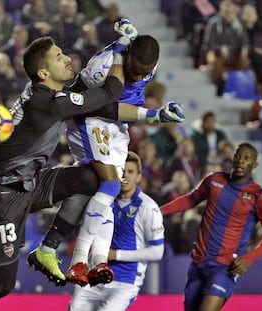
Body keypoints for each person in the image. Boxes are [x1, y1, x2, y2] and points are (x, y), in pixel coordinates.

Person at [0, 34, 125, 301]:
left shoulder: (51, 96)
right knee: (1, 287)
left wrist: (154, 115)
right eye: (58, 57)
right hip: (3, 196)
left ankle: (47, 249)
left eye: (63, 53)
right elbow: (111, 91)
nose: (67, 59)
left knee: (88, 179)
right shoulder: (48, 105)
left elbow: (104, 104)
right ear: (43, 72)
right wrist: (121, 51)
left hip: (30, 181)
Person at [62, 21, 184, 287]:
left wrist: (157, 114)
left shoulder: (144, 63)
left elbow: (126, 106)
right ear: (127, 56)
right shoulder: (102, 68)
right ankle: (79, 259)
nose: (141, 78)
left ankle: (98, 260)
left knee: (109, 193)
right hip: (90, 119)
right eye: (137, 71)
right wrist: (154, 115)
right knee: (110, 184)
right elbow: (102, 109)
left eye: (146, 73)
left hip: (118, 127)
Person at [161, 142, 262, 311]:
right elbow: (190, 199)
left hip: (225, 267)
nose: (241, 161)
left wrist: (249, 257)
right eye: (238, 156)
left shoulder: (260, 196)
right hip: (198, 262)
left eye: (247, 158)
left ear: (254, 165)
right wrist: (159, 211)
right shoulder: (214, 180)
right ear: (233, 158)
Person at [67, 151, 164, 310]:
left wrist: (115, 254)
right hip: (94, 276)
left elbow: (157, 252)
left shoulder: (148, 207)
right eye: (122, 170)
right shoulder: (101, 200)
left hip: (125, 281)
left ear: (139, 176)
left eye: (131, 172)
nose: (125, 175)